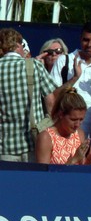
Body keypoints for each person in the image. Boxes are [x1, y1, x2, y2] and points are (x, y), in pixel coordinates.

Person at [0, 28, 58, 162]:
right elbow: (51, 102)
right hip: (35, 143)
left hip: (4, 147)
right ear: (18, 45)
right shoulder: (34, 65)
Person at [50, 21, 91, 139]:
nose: (89, 44)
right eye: (86, 40)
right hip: (63, 134)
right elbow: (52, 97)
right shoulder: (64, 61)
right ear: (80, 39)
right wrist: (74, 78)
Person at [35, 87, 91, 164]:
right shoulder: (46, 138)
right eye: (73, 119)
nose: (77, 124)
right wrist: (73, 160)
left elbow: (82, 171)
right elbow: (43, 175)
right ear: (61, 114)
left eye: (81, 119)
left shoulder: (79, 134)